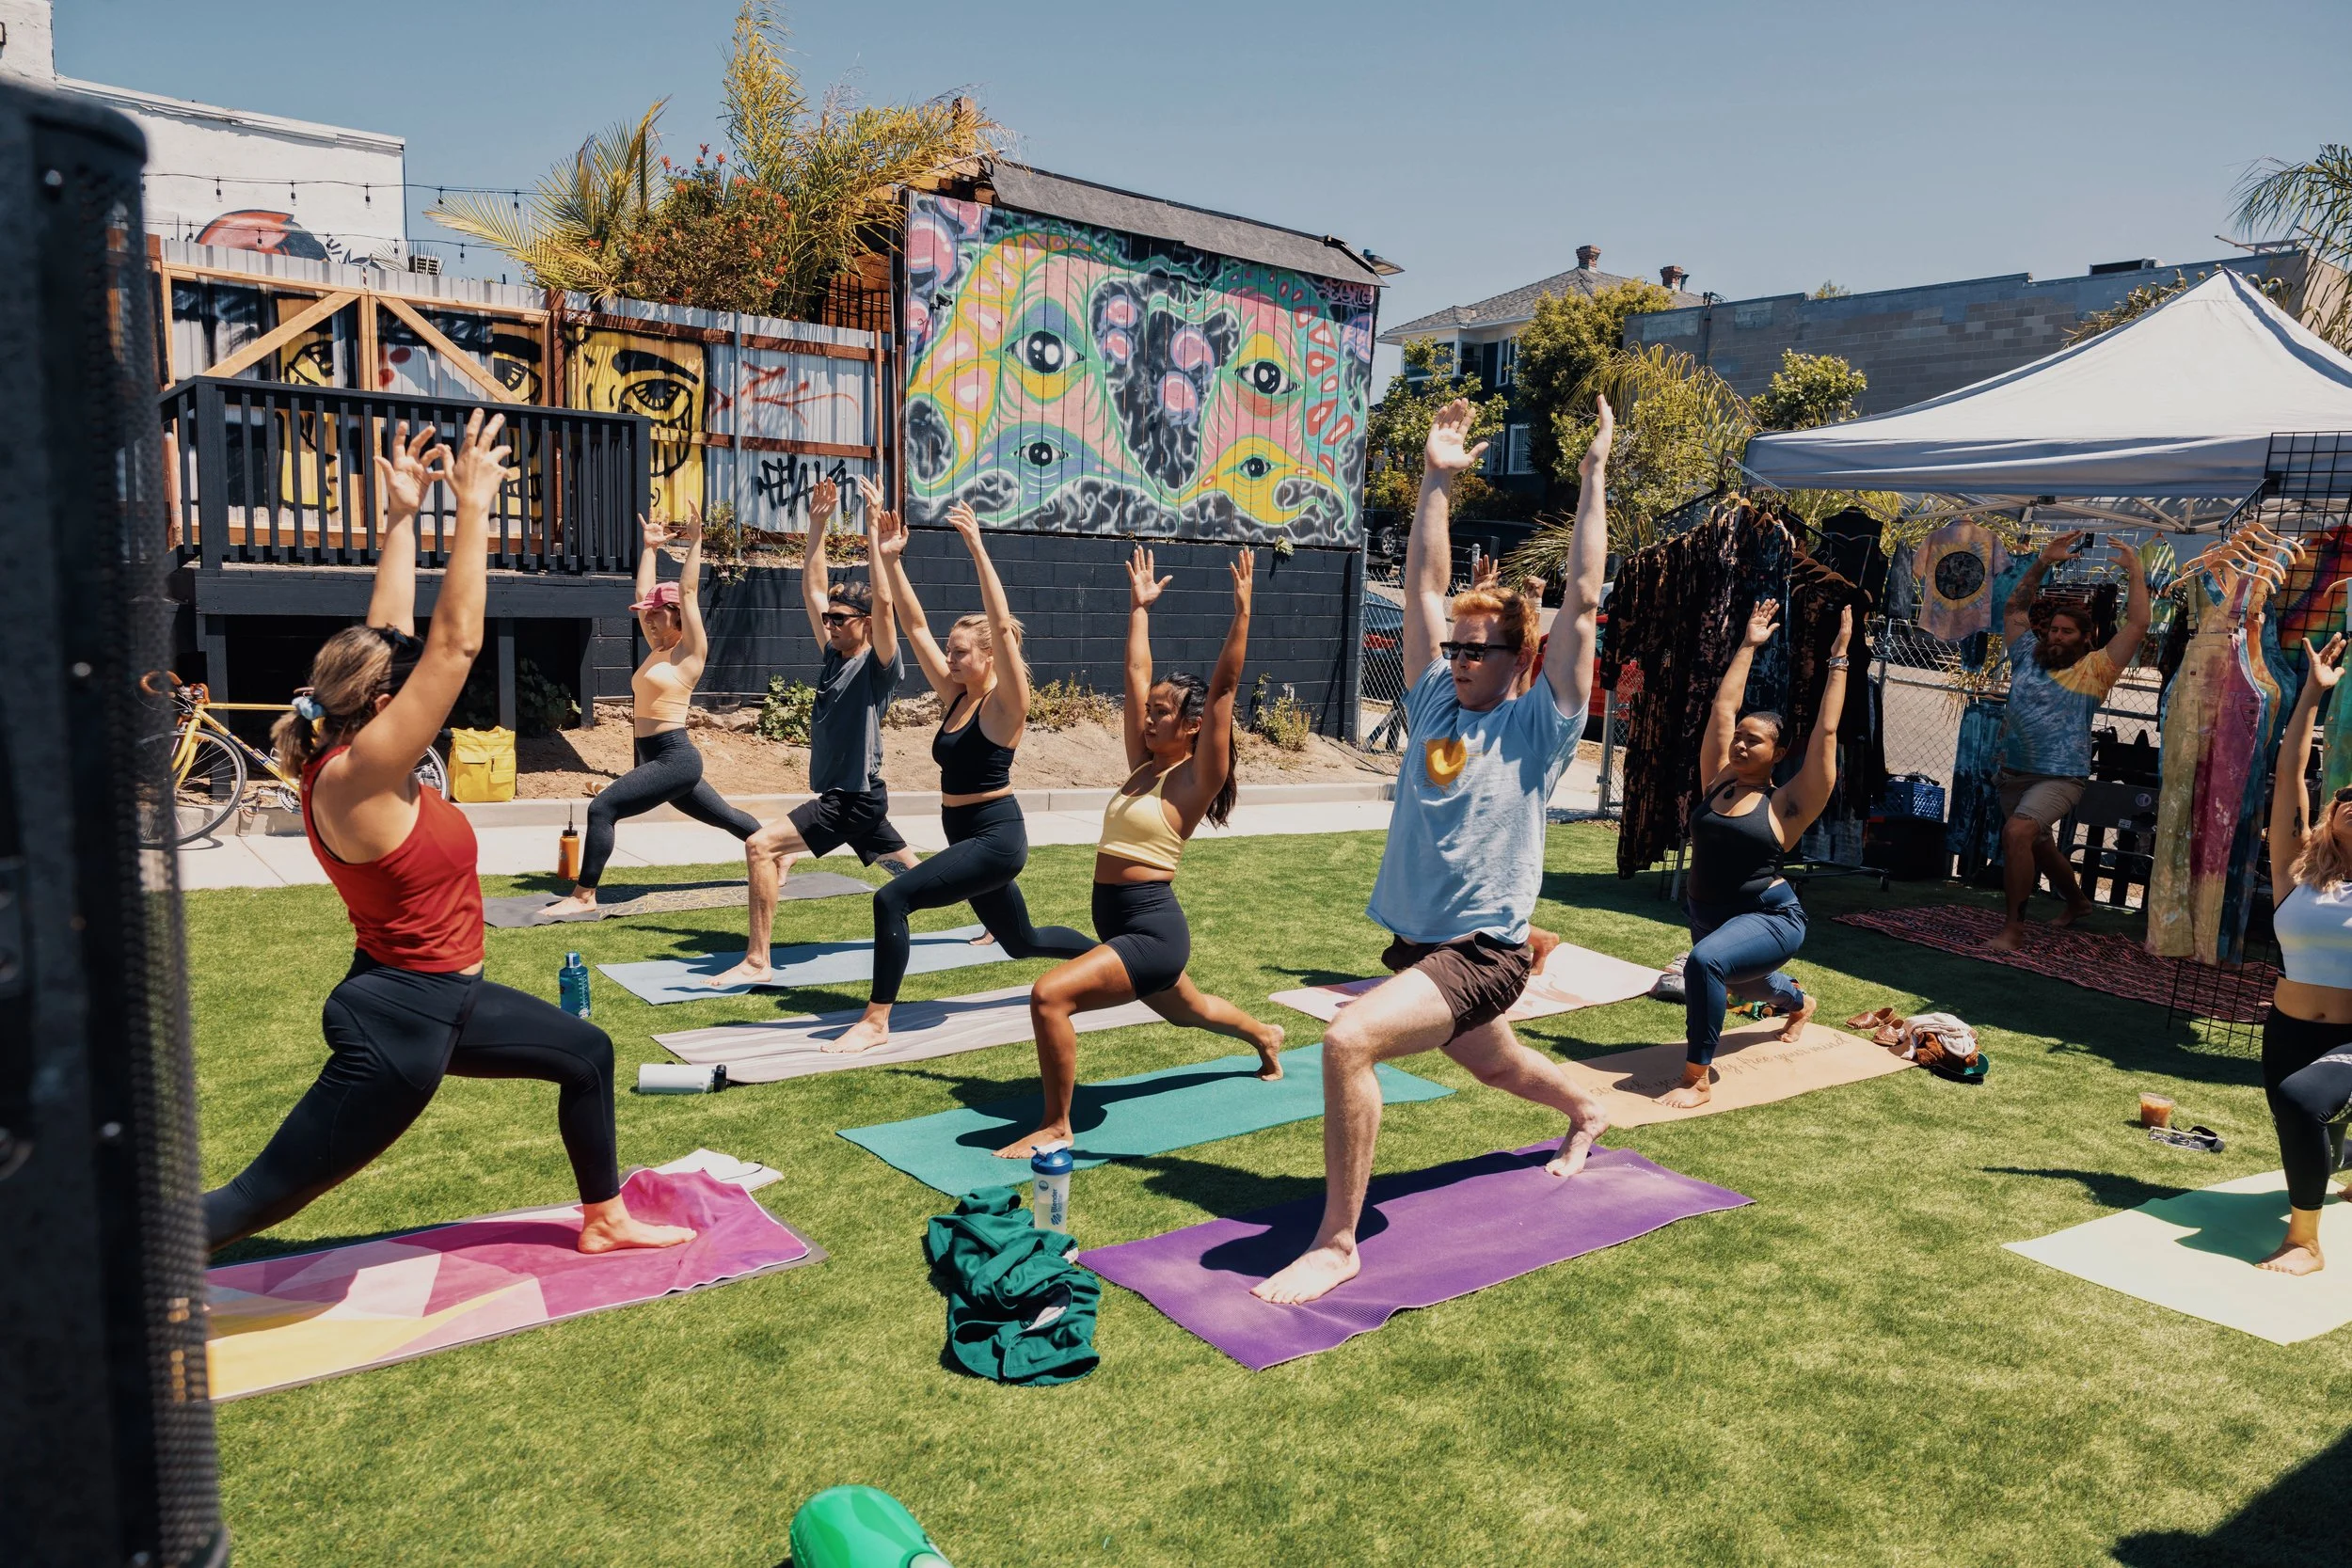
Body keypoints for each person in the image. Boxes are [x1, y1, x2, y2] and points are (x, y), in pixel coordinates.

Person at [202, 414, 691, 1256]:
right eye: (398, 683)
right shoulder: (358, 776)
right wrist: (472, 511)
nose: (410, 684)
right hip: (398, 1028)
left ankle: (604, 1218)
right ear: (380, 703)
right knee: (251, 1201)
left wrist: (400, 518)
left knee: (586, 1052)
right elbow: (454, 644)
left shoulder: (351, 743)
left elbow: (388, 633)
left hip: (445, 999)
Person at [1253, 397, 1616, 1307]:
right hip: (1422, 945)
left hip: (1486, 951)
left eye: (1478, 651)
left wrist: (1593, 476)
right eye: (1454, 647)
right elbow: (1422, 581)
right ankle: (1585, 1109)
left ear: (1520, 659)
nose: (1457, 660)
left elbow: (1582, 596)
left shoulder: (1542, 721)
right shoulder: (1435, 703)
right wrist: (1434, 480)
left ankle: (1338, 1243)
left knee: (1347, 1042)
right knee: (1499, 1066)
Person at [992, 546, 1287, 1160]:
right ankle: (1265, 1035)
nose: (1148, 720)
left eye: (1161, 713)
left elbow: (1227, 685)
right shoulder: (1143, 767)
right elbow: (1134, 672)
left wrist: (1243, 614)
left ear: (1192, 724)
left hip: (1151, 931)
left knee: (1049, 995)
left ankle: (1057, 1124)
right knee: (1192, 1009)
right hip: (1123, 926)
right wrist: (1139, 609)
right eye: (1148, 713)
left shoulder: (1193, 778)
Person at [824, 490, 1095, 1053]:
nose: (950, 659)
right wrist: (891, 559)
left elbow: (998, 623)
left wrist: (976, 547)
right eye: (951, 653)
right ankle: (1110, 962)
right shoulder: (958, 695)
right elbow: (917, 628)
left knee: (890, 899)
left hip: (995, 838)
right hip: (967, 836)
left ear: (990, 656)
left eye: (961, 653)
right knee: (1023, 942)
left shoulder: (1006, 703)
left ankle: (876, 1021)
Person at [708, 478, 920, 989]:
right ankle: (990, 916)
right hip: (861, 798)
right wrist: (818, 524)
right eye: (828, 618)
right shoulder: (832, 655)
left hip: (851, 800)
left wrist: (873, 534)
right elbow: (812, 587)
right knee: (917, 875)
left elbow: (888, 610)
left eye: (841, 619)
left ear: (865, 624)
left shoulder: (878, 666)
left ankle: (759, 959)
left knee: (761, 846)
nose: (829, 623)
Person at [1658, 597, 1852, 1110]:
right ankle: (1801, 1002)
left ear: (1779, 753)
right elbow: (1722, 709)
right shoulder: (1719, 780)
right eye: (1739, 739)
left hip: (1769, 916)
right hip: (1708, 913)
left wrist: (1839, 660)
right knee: (1756, 985)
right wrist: (1748, 644)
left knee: (1704, 964)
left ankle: (1696, 1078)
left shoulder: (1788, 804)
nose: (1741, 746)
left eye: (1755, 742)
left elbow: (1826, 733)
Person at [544, 511, 759, 915]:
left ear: (676, 614)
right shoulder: (658, 646)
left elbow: (690, 591)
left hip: (674, 757)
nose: (646, 616)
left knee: (602, 808)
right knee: (725, 816)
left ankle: (584, 896)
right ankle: (777, 853)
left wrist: (695, 543)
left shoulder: (689, 653)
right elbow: (646, 590)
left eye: (654, 612)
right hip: (659, 757)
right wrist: (649, 548)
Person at [1987, 531, 2150, 950]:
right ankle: (2078, 902)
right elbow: (2014, 607)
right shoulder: (2025, 654)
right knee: (2038, 845)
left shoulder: (2096, 670)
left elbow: (2137, 624)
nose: (2057, 636)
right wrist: (2042, 561)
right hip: (2013, 772)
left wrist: (2135, 572)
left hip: (2061, 777)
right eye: (2054, 630)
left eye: (2067, 632)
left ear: (2084, 637)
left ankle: (2013, 928)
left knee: (2019, 833)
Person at [2253, 631, 2352, 1275]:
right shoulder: (2296, 871)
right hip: (2287, 1031)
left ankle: (2304, 1241)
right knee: (2310, 1118)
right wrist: (2311, 694)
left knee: (2300, 1103)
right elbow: (2291, 773)